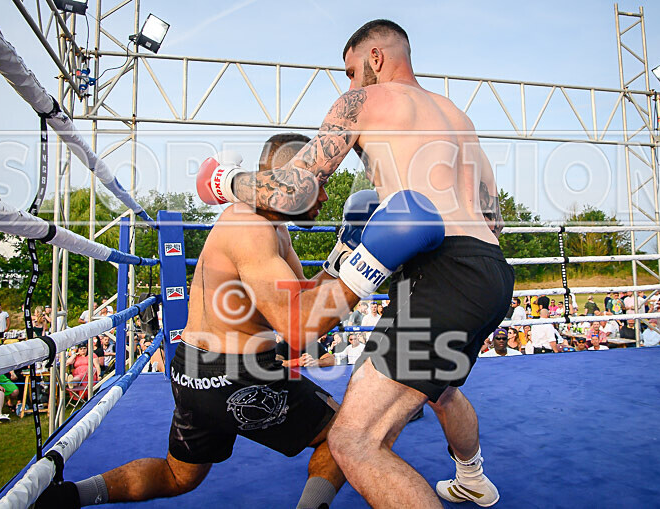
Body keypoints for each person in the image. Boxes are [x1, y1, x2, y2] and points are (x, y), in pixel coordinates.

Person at [197, 21, 513, 507]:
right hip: (490, 269)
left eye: (351, 71)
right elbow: (493, 219)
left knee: (353, 440)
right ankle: (472, 475)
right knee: (440, 387)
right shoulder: (457, 117)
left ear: (377, 57)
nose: (348, 84)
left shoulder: (363, 102)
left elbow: (295, 189)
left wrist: (225, 182)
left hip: (441, 271)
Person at [40, 132, 439, 508]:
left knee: (180, 476)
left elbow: (305, 294)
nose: (327, 194)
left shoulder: (270, 226)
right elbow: (300, 329)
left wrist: (344, 253)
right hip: (237, 372)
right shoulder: (249, 228)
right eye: (319, 181)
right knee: (346, 435)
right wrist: (368, 266)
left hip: (194, 370)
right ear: (290, 180)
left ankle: (69, 497)